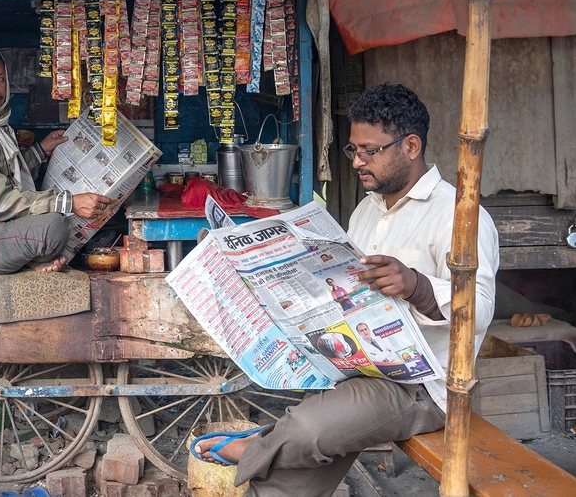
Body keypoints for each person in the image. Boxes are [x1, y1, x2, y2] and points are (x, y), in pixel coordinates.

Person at [193, 83, 499, 496]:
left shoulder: (459, 216)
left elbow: (479, 310)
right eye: (352, 150)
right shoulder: (366, 212)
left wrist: (417, 286)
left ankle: (259, 444)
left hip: (423, 387)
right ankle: (269, 449)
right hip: (363, 367)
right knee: (283, 484)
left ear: (410, 146)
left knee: (309, 427)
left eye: (368, 150)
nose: (356, 161)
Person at [0, 43, 111, 275]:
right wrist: (70, 203)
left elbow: (3, 174)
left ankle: (28, 260)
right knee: (52, 228)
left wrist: (40, 151)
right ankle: (29, 260)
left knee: (51, 224)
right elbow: (1, 202)